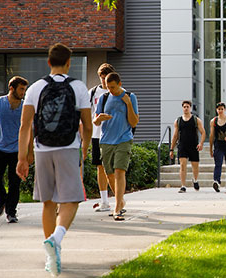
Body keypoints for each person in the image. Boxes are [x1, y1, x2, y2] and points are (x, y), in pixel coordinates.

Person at [16, 43, 92, 276]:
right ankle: (57, 239)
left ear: (48, 62)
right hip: (68, 148)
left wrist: (22, 158)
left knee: (48, 202)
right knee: (72, 199)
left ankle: (51, 256)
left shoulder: (35, 88)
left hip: (42, 149)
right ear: (69, 63)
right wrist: (85, 148)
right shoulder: (78, 87)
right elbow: (87, 126)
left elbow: (25, 126)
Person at [93, 72, 139, 221]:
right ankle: (121, 200)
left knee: (120, 171)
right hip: (106, 140)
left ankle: (117, 208)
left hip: (124, 139)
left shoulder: (130, 97)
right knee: (109, 173)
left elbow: (134, 122)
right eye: (108, 87)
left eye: (112, 87)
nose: (110, 90)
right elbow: (96, 121)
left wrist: (128, 104)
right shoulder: (104, 98)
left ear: (119, 84)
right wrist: (99, 118)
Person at [0, 76, 29, 223]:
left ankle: (11, 212)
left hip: (17, 150)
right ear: (11, 88)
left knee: (15, 183)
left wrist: (29, 152)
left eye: (24, 90)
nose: (23, 92)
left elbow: (30, 130)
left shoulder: (26, 106)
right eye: (21, 89)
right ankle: (3, 200)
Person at [89, 63, 116, 212]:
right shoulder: (93, 93)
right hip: (96, 135)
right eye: (102, 77)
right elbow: (86, 114)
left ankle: (118, 198)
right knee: (100, 167)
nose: (104, 81)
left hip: (114, 135)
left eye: (106, 77)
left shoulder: (119, 92)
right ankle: (104, 201)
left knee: (113, 169)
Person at [170, 100, 206, 192]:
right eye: (184, 107)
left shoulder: (196, 120)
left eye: (187, 107)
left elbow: (203, 132)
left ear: (190, 108)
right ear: (182, 108)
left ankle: (195, 180)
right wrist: (171, 149)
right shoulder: (178, 121)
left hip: (193, 145)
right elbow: (175, 136)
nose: (186, 108)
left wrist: (201, 143)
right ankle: (183, 186)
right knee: (182, 165)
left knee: (195, 166)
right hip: (182, 146)